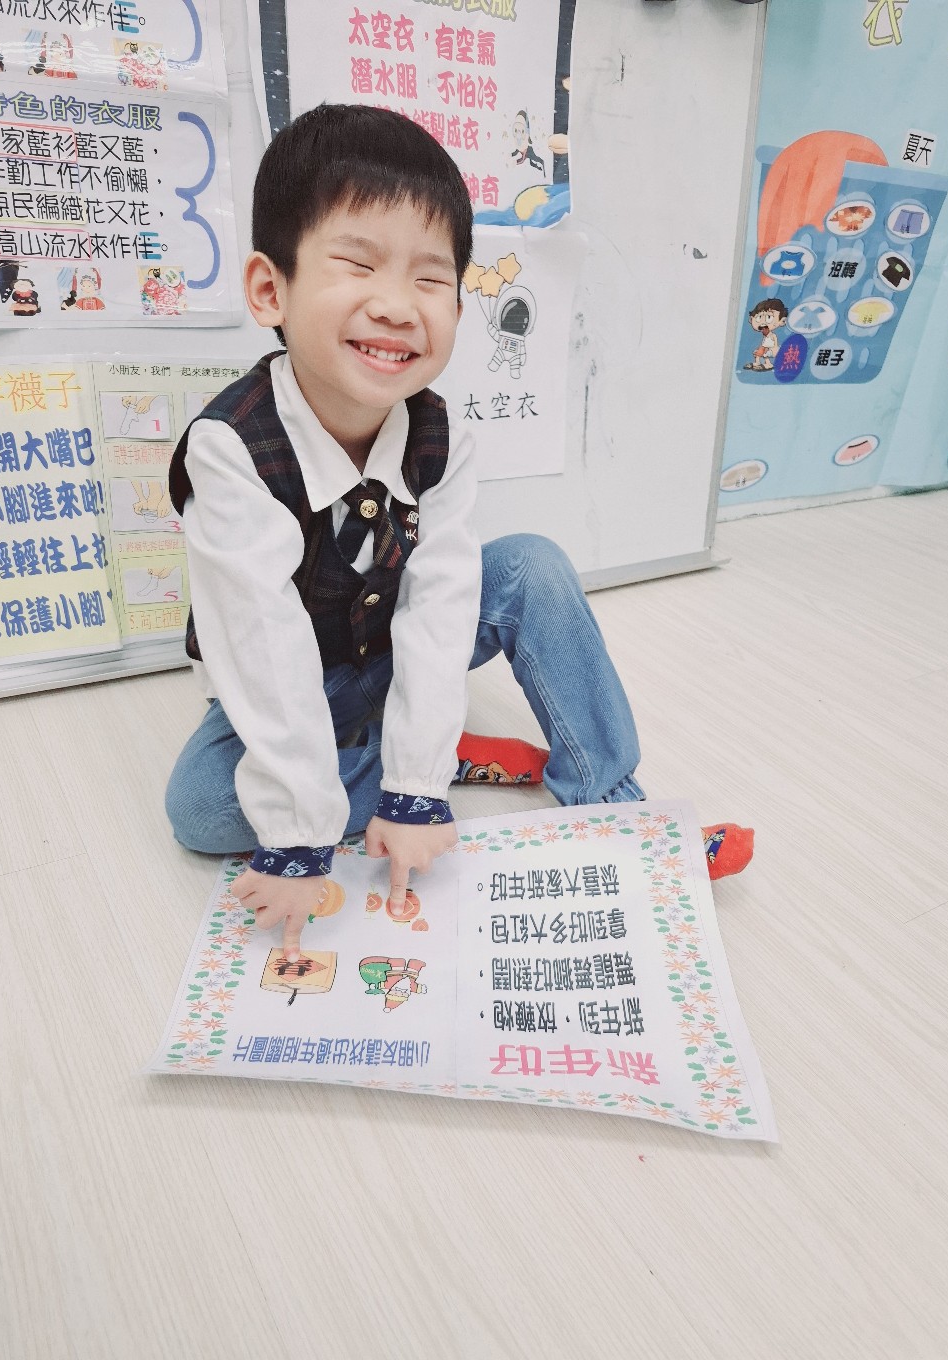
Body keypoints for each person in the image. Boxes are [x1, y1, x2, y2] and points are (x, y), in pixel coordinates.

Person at [165, 104, 752, 966]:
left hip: (388, 650)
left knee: (531, 567)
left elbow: (440, 608)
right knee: (202, 810)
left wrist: (412, 797)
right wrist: (299, 836)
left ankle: (610, 799)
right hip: (301, 676)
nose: (397, 306)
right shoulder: (230, 449)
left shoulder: (440, 434)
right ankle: (431, 754)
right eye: (357, 263)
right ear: (269, 290)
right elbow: (262, 649)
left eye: (431, 279)